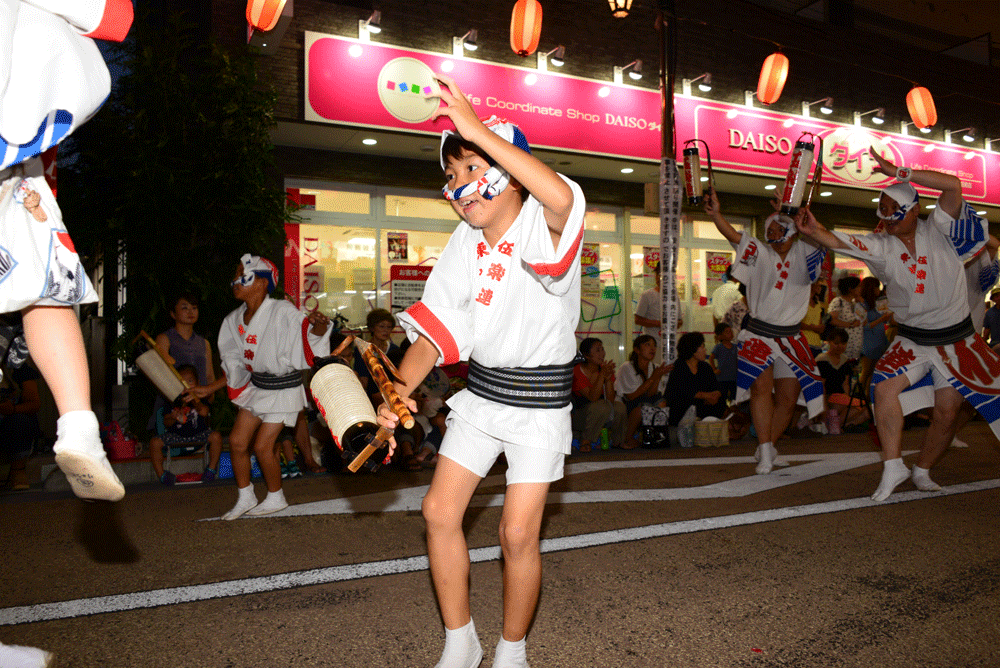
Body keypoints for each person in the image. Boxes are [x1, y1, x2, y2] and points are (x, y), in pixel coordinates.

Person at [376, 75, 586, 668]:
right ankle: (460, 641)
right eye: (451, 175)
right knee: (438, 513)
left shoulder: (542, 223)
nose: (460, 186)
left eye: (472, 167)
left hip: (541, 405)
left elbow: (562, 200)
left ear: (507, 171)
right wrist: (395, 394)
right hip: (484, 396)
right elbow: (434, 331)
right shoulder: (461, 244)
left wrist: (478, 132)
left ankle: (512, 651)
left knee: (517, 536)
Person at [795, 148, 1000, 501]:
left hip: (956, 339)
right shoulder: (881, 246)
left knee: (947, 413)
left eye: (894, 209)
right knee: (883, 388)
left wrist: (901, 172)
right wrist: (816, 230)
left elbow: (952, 186)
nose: (887, 216)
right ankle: (893, 466)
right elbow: (840, 240)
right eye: (883, 209)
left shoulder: (941, 228)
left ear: (914, 209)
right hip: (912, 340)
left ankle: (921, 470)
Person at [186, 255, 332, 520]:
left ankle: (276, 497)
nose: (235, 281)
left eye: (244, 276)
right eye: (235, 276)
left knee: (263, 446)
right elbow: (237, 364)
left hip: (285, 389)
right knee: (238, 441)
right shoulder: (233, 321)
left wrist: (320, 327)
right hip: (258, 387)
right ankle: (246, 496)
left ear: (262, 283)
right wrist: (209, 389)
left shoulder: (282, 310)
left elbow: (307, 335)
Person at [705, 189, 826, 474]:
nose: (771, 232)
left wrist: (798, 213)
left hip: (792, 336)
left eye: (776, 227)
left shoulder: (805, 250)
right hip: (759, 333)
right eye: (768, 228)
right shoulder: (759, 251)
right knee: (761, 389)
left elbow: (818, 235)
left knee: (788, 395)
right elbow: (733, 235)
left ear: (790, 230)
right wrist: (715, 215)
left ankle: (767, 446)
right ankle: (766, 448)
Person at [148, 365, 223, 485]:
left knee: (216, 437)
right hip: (176, 436)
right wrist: (173, 417)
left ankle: (211, 470)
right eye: (181, 382)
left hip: (198, 434)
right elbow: (166, 422)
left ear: (198, 383)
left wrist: (195, 400)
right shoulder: (173, 399)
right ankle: (162, 475)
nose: (186, 385)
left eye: (190, 381)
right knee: (154, 442)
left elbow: (204, 412)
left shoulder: (200, 397)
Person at [615, 334, 671, 449]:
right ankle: (627, 437)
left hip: (645, 401)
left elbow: (651, 394)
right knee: (643, 409)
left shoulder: (654, 367)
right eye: (648, 345)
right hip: (628, 404)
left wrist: (658, 377)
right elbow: (632, 396)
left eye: (654, 346)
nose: (653, 349)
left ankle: (655, 438)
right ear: (637, 350)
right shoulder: (627, 367)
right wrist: (653, 377)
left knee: (661, 403)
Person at [571, 337, 627, 452]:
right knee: (601, 406)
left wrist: (608, 380)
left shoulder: (604, 369)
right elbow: (592, 397)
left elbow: (610, 401)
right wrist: (602, 376)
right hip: (579, 415)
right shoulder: (577, 371)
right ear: (586, 355)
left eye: (602, 349)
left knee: (619, 407)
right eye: (598, 350)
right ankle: (586, 440)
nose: (602, 353)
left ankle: (618, 441)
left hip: (601, 410)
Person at [0, 349, 42, 492]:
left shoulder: (16, 364)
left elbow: (34, 403)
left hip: (12, 422)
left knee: (19, 421)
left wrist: (12, 409)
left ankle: (18, 471)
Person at [666, 332, 724, 433]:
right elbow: (686, 392)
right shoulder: (679, 366)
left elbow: (716, 386)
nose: (705, 350)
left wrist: (716, 395)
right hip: (683, 405)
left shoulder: (705, 367)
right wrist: (707, 396)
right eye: (702, 347)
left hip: (702, 403)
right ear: (692, 350)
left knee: (721, 402)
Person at [814, 328, 866, 433]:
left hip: (840, 397)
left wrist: (847, 398)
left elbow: (845, 384)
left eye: (843, 343)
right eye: (836, 343)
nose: (839, 346)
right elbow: (821, 386)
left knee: (866, 412)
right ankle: (834, 425)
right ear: (829, 342)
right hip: (828, 398)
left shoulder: (845, 360)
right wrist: (823, 407)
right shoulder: (822, 359)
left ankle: (837, 425)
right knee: (860, 405)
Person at [634, 263, 682, 362]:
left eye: (663, 275)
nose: (659, 278)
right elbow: (637, 319)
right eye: (658, 274)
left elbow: (680, 321)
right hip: (651, 346)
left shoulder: (674, 297)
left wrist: (671, 326)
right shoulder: (647, 295)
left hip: (670, 345)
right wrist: (660, 324)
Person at [354, 308, 401, 397]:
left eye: (389, 327)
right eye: (382, 326)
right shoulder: (362, 349)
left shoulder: (395, 350)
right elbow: (363, 380)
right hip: (369, 396)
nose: (386, 330)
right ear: (372, 328)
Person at [859, 276, 892, 395]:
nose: (879, 290)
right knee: (866, 372)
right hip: (868, 343)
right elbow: (864, 326)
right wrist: (881, 319)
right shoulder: (862, 304)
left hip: (880, 341)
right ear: (872, 288)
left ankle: (868, 398)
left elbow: (884, 321)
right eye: (877, 287)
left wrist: (886, 318)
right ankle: (859, 397)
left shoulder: (878, 303)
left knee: (874, 373)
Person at [827, 275, 865, 361]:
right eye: (858, 286)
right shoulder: (838, 301)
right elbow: (832, 320)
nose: (860, 289)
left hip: (856, 347)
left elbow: (863, 321)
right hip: (842, 345)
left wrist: (861, 304)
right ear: (850, 289)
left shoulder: (855, 303)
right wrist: (850, 324)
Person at [709, 322, 738, 404]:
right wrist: (714, 369)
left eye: (731, 331)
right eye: (727, 332)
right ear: (720, 336)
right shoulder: (718, 347)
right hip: (721, 378)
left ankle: (732, 411)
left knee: (734, 397)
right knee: (722, 397)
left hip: (733, 377)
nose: (731, 334)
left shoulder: (735, 347)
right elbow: (711, 358)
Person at [800, 280, 827, 356]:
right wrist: (811, 327)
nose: (819, 288)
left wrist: (820, 328)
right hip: (803, 342)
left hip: (817, 344)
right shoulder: (801, 301)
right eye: (817, 285)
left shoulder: (818, 303)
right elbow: (795, 323)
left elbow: (820, 324)